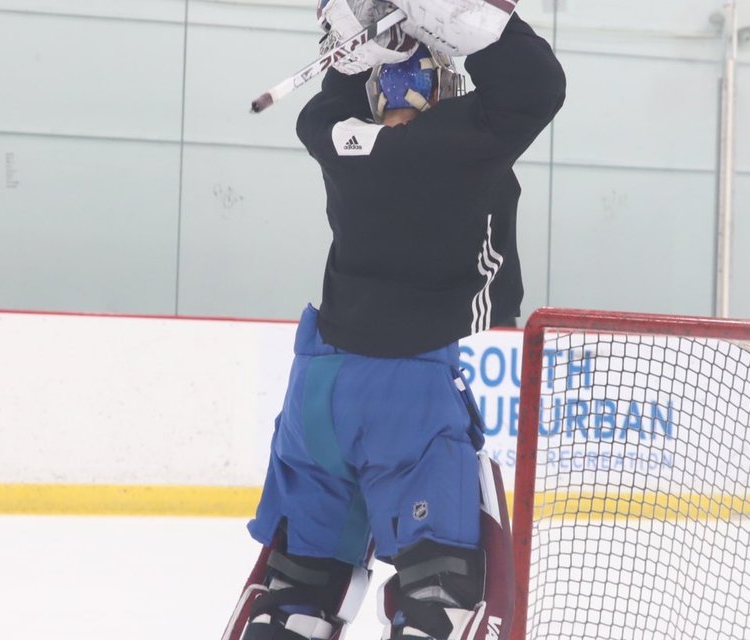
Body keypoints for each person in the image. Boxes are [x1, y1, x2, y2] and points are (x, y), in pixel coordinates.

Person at [223, 1, 564, 638]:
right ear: (446, 89)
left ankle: (290, 612)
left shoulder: (335, 139)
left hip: (317, 390)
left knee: (300, 586)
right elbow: (536, 86)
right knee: (437, 591)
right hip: (406, 390)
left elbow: (320, 112)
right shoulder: (463, 144)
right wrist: (458, 15)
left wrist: (352, 63)